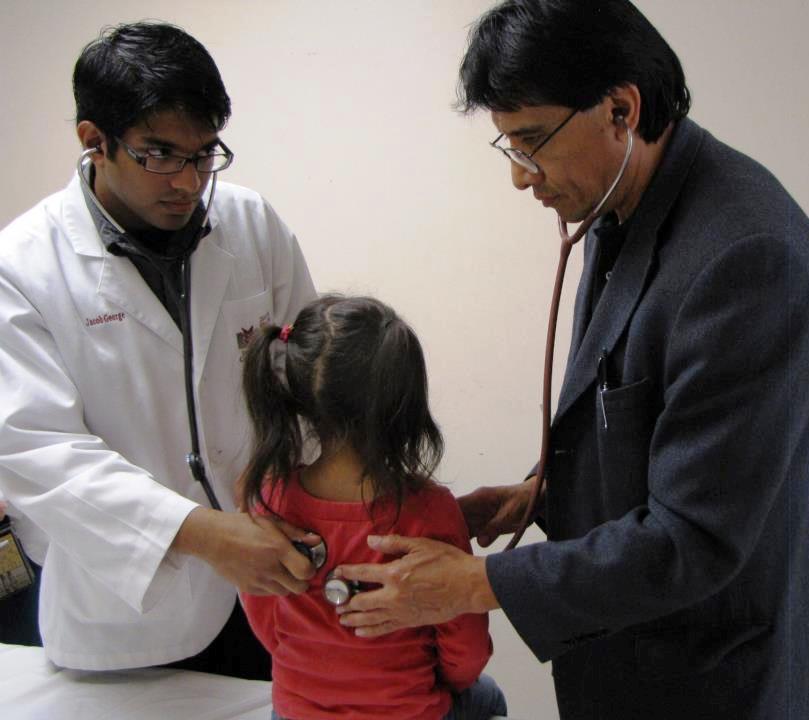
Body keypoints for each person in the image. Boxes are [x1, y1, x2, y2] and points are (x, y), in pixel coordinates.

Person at [332, 2, 809, 718]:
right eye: (509, 149)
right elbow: (635, 411)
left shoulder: (744, 257)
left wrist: (473, 584)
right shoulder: (619, 201)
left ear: (619, 109)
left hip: (703, 673)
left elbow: (695, 536)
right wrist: (540, 491)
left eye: (531, 142)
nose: (523, 179)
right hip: (619, 648)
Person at [0, 22, 318, 677]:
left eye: (204, 154)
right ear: (95, 141)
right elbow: (37, 451)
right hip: (132, 613)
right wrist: (201, 532)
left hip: (274, 580)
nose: (188, 181)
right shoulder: (21, 267)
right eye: (159, 154)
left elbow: (310, 376)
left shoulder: (250, 223)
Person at [239, 295, 507, 720]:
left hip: (296, 711)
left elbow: (265, 622)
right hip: (408, 712)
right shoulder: (431, 511)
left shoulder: (268, 498)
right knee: (488, 698)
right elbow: (466, 652)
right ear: (407, 411)